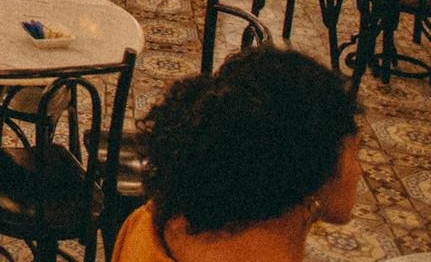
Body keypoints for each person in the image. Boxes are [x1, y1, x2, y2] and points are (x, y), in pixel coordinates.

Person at [112, 47, 360, 262]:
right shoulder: (269, 251)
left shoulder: (155, 220)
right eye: (356, 151)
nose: (359, 170)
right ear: (315, 162)